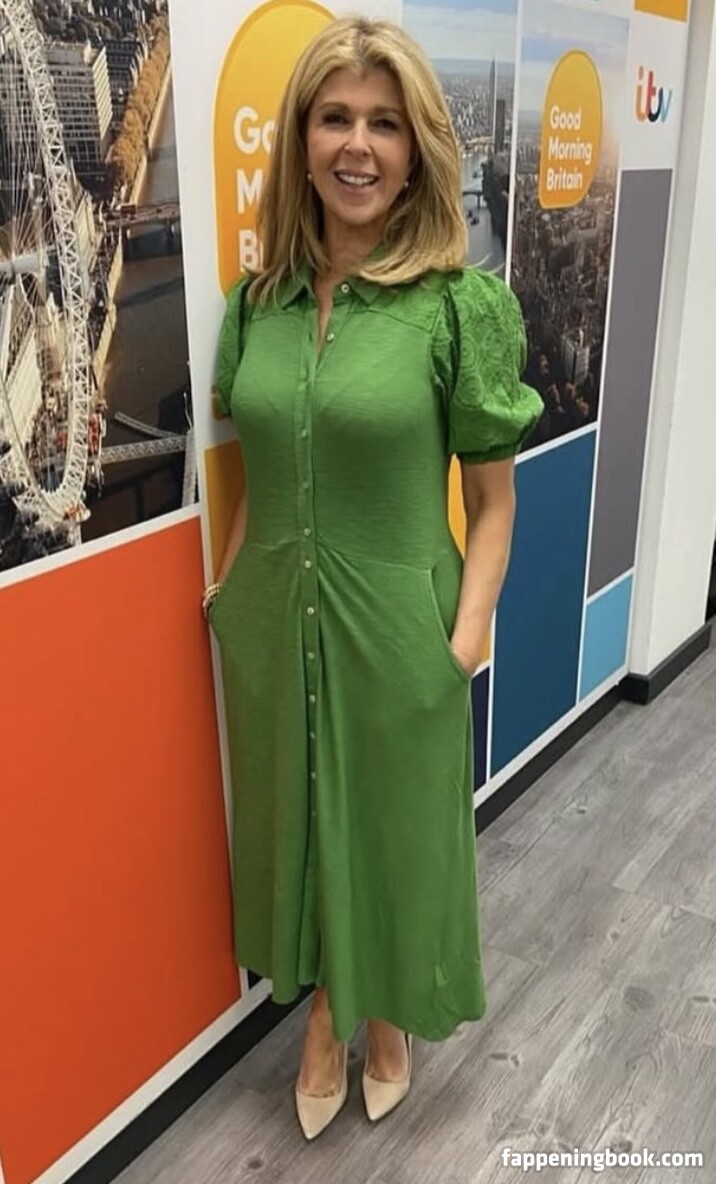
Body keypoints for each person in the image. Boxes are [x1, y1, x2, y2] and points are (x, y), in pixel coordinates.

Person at [204, 16, 543, 1142]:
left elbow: (492, 505)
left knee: (391, 835)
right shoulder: (255, 306)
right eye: (335, 117)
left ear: (415, 150)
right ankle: (335, 1008)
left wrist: (464, 639)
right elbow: (259, 467)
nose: (358, 144)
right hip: (271, 624)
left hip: (401, 627)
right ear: (301, 141)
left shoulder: (456, 306)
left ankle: (363, 1015)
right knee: (304, 825)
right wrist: (227, 594)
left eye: (384, 124)